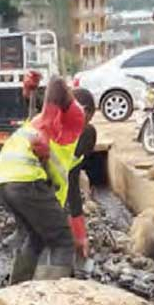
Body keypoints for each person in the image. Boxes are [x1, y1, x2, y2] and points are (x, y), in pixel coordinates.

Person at [0, 77, 86, 283]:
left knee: (35, 237)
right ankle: (48, 304)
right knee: (62, 242)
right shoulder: (76, 115)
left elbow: (67, 187)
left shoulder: (54, 128)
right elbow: (57, 82)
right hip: (26, 178)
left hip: (4, 177)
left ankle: (16, 295)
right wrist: (46, 123)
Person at [68, 88, 98, 271]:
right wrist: (79, 233)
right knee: (59, 243)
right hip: (31, 185)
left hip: (9, 181)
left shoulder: (54, 120)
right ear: (85, 110)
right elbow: (70, 184)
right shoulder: (83, 132)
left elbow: (71, 182)